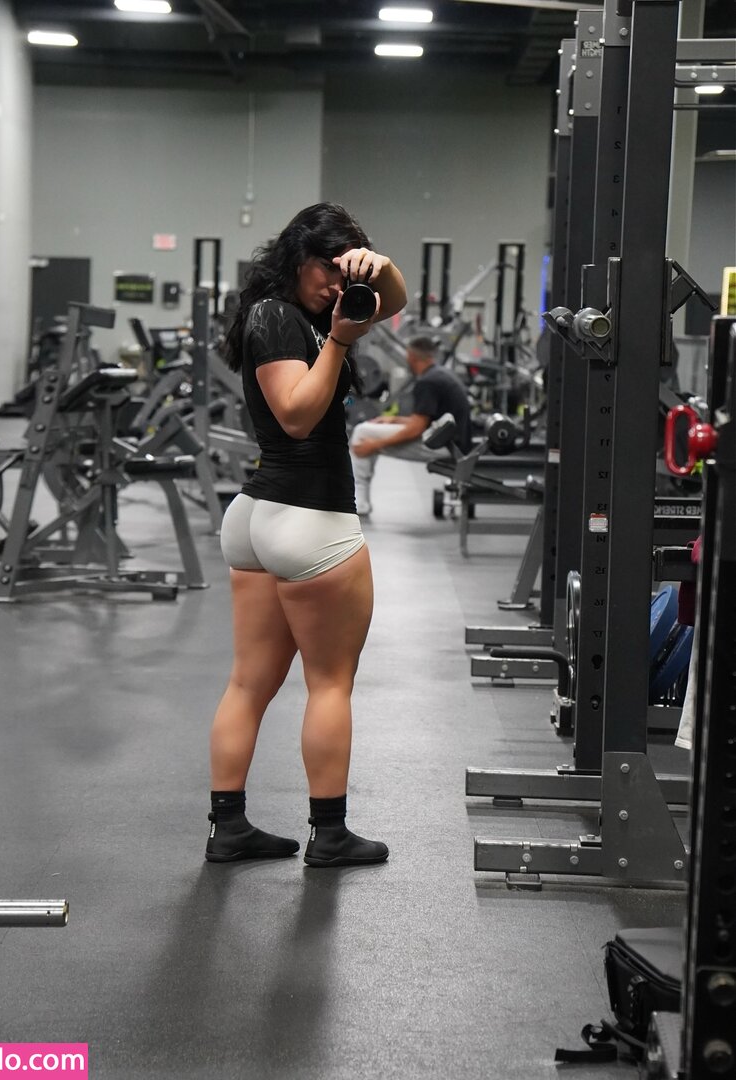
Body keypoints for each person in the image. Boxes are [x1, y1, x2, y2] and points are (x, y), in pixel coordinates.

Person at [206, 202, 407, 868]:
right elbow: (295, 416)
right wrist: (341, 342)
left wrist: (376, 268)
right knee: (329, 685)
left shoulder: (308, 312)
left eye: (345, 274)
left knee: (249, 684)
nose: (335, 285)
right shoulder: (278, 318)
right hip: (309, 519)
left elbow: (395, 300)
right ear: (297, 258)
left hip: (260, 519)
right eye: (327, 268)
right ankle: (331, 833)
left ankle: (229, 827)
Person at [349, 335, 472, 515]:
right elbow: (425, 421)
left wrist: (375, 445)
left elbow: (416, 429)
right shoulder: (440, 374)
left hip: (446, 447)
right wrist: (394, 420)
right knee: (367, 432)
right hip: (450, 441)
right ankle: (362, 500)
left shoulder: (427, 382)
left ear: (412, 357)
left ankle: (360, 502)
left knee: (362, 433)